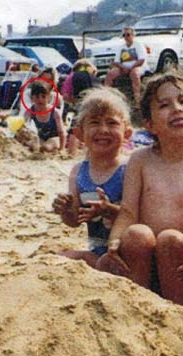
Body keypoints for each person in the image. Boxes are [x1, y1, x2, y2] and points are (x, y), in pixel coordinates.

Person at [95, 71, 183, 312]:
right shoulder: (140, 160)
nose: (177, 109)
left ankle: (176, 314)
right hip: (142, 263)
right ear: (149, 124)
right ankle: (137, 309)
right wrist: (115, 241)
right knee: (137, 233)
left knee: (170, 239)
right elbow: (128, 211)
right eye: (164, 105)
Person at [52, 87, 132, 268]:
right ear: (79, 134)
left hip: (127, 251)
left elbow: (137, 216)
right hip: (96, 251)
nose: (103, 130)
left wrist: (109, 210)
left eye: (112, 123)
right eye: (95, 123)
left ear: (127, 133)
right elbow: (74, 221)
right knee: (55, 259)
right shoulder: (78, 172)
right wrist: (65, 209)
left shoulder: (129, 168)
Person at [61, 59, 102, 155]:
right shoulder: (93, 76)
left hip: (80, 104)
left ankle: (72, 153)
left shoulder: (71, 77)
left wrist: (73, 102)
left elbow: (66, 96)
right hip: (96, 103)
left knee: (75, 128)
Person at [104, 27, 148, 106]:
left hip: (137, 66)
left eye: (128, 35)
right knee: (110, 74)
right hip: (123, 67)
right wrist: (122, 67)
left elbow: (141, 60)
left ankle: (137, 99)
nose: (126, 37)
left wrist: (131, 68)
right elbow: (116, 61)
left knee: (134, 74)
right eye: (124, 35)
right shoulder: (121, 47)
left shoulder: (138, 45)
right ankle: (106, 96)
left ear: (133, 35)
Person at [21, 81, 66, 152]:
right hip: (41, 138)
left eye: (43, 97)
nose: (40, 99)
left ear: (48, 97)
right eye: (37, 97)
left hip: (55, 137)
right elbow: (22, 123)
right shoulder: (30, 111)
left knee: (46, 148)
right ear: (32, 98)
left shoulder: (54, 112)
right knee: (31, 145)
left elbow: (61, 132)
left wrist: (62, 148)